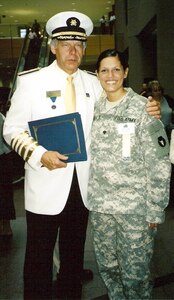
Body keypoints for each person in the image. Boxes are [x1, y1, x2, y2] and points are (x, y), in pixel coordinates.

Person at [3, 10, 161, 300]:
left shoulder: (93, 82)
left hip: (84, 187)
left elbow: (120, 99)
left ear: (85, 48)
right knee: (38, 260)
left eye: (79, 45)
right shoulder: (31, 82)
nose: (73, 51)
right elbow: (11, 130)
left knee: (73, 259)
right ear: (53, 47)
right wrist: (39, 154)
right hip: (46, 183)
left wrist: (148, 107)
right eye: (65, 44)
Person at [86, 49, 171, 300]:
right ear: (97, 74)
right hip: (101, 208)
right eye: (104, 70)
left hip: (135, 210)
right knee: (109, 272)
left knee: (135, 276)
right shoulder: (93, 108)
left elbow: (159, 163)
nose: (110, 75)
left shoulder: (144, 109)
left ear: (126, 72)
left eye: (116, 69)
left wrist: (155, 208)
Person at [0, 112, 15, 236]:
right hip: (4, 157)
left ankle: (6, 224)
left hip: (2, 159)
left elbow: (8, 144)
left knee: (5, 193)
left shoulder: (1, 118)